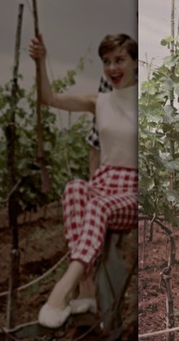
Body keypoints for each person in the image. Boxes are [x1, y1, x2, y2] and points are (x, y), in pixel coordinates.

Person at [30, 33, 138, 329]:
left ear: (135, 62)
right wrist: (40, 61)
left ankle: (64, 288)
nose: (113, 68)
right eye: (107, 62)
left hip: (134, 189)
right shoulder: (99, 101)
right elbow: (48, 98)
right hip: (104, 180)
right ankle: (87, 288)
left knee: (98, 206)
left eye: (120, 60)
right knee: (75, 188)